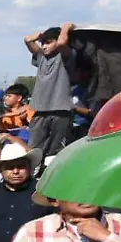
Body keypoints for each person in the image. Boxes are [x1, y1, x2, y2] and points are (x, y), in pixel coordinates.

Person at [24, 23, 76, 165]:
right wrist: (41, 36)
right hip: (40, 111)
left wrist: (66, 28)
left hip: (60, 110)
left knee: (56, 152)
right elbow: (28, 40)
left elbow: (61, 43)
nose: (44, 46)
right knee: (34, 149)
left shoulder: (66, 56)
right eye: (42, 43)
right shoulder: (41, 58)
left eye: (48, 42)